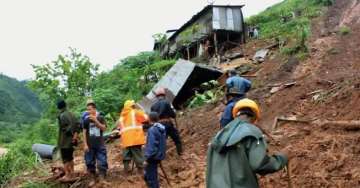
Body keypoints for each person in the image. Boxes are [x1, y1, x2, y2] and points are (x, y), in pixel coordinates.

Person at [206, 99, 288, 188]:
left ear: (236, 114)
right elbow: (260, 165)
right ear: (254, 117)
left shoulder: (218, 136)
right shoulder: (251, 131)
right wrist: (282, 158)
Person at [117, 100, 148, 173]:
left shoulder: (122, 116)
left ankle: (126, 170)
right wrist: (139, 109)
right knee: (137, 155)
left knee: (126, 155)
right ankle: (141, 171)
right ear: (132, 106)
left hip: (126, 140)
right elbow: (146, 117)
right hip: (135, 138)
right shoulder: (135, 112)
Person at [150, 87, 183, 155]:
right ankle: (180, 153)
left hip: (158, 126)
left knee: (161, 141)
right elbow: (173, 115)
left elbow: (152, 118)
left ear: (157, 96)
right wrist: (173, 114)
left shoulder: (153, 106)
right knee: (176, 138)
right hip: (167, 124)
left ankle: (159, 156)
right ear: (164, 95)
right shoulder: (167, 103)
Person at [83, 102, 108, 180]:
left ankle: (102, 178)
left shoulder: (100, 118)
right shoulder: (86, 120)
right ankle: (92, 177)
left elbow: (104, 128)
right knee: (89, 162)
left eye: (90, 109)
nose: (88, 111)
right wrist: (85, 144)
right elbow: (84, 132)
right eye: (87, 110)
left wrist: (95, 120)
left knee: (102, 160)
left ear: (94, 109)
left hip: (100, 144)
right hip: (89, 145)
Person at [56, 100, 80, 182]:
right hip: (72, 141)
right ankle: (72, 173)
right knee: (70, 158)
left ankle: (67, 175)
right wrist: (75, 137)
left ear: (58, 107)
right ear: (65, 105)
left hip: (64, 141)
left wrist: (71, 136)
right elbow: (78, 125)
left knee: (65, 159)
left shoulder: (61, 115)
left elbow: (65, 129)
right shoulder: (72, 114)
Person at [144, 112, 167, 188]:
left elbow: (152, 146)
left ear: (149, 119)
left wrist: (147, 158)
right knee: (151, 175)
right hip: (159, 155)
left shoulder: (152, 129)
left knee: (151, 178)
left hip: (152, 157)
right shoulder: (161, 128)